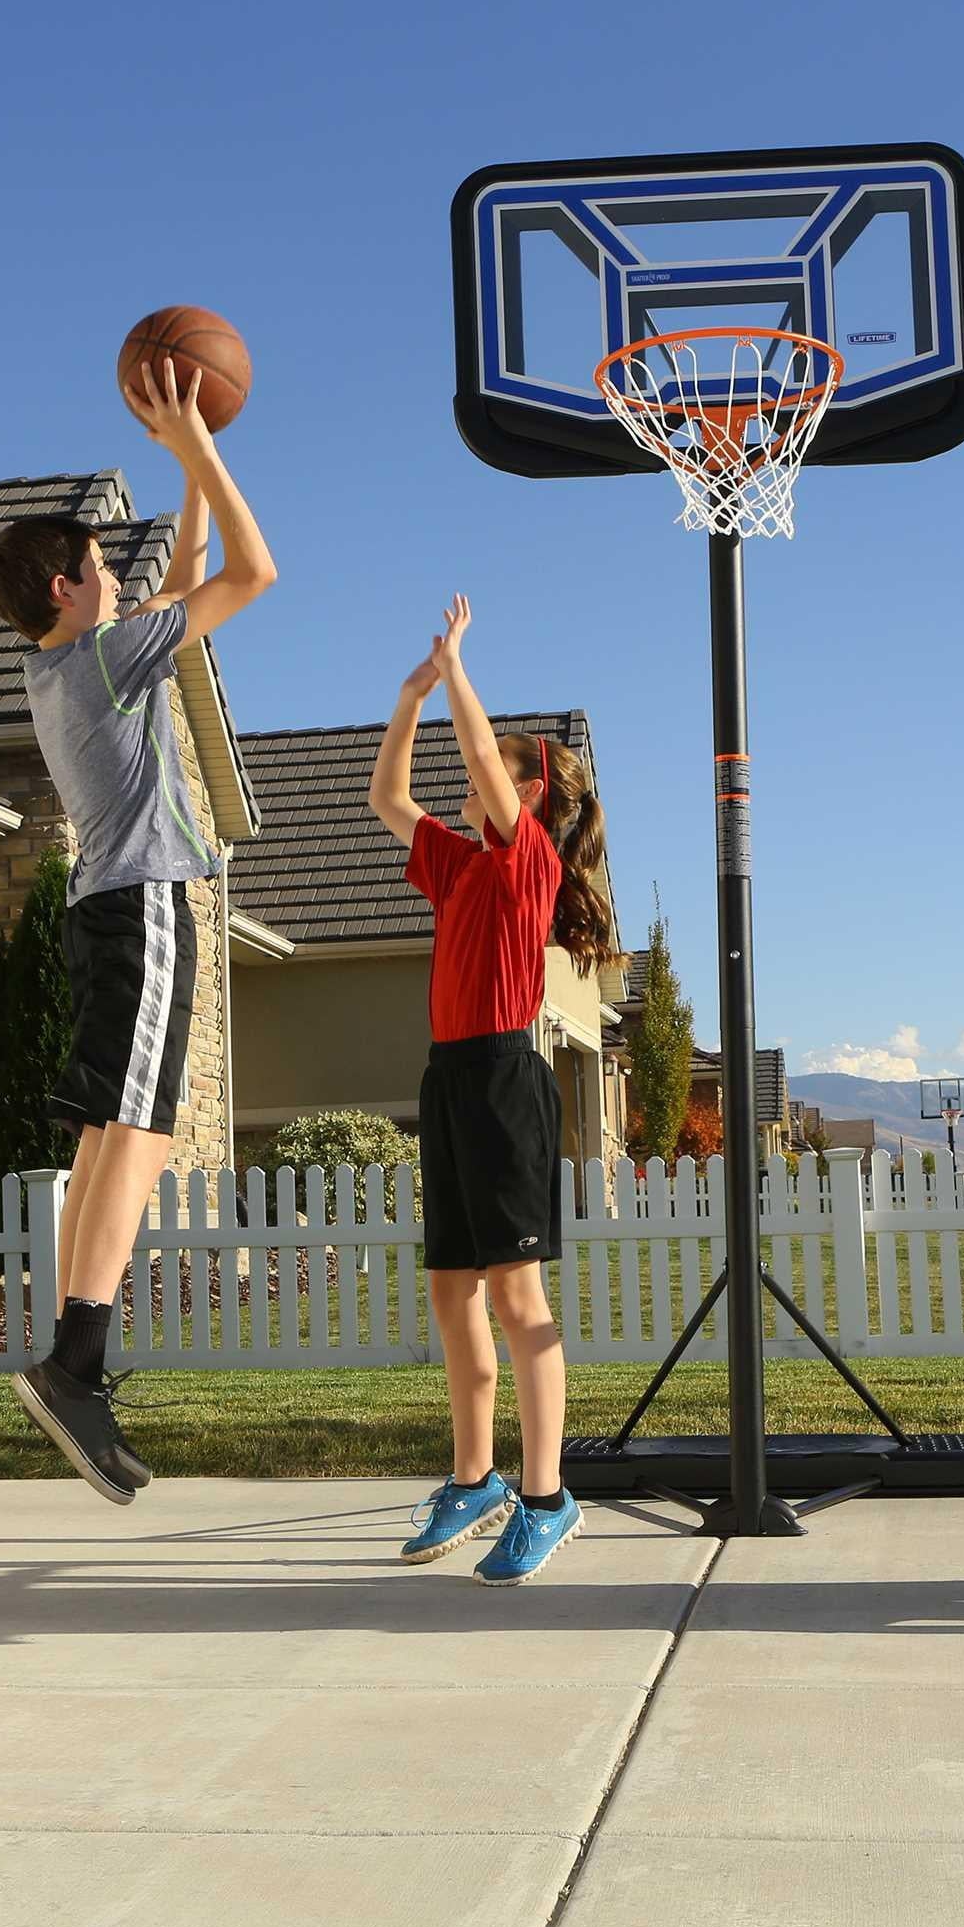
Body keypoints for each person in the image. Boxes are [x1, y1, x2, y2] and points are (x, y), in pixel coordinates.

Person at [0, 360, 276, 1503]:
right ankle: (74, 1362)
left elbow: (185, 577)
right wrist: (201, 450)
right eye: (101, 564)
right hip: (145, 905)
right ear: (66, 587)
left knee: (110, 1137)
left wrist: (186, 474)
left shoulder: (60, 663)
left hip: (105, 908)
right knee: (139, 1137)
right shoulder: (105, 656)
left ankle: (75, 1360)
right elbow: (251, 572)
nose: (118, 574)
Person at [367, 596, 620, 1584]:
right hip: (447, 1081)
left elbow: (477, 754)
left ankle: (547, 1497)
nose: (469, 783)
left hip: (507, 1081)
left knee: (519, 1297)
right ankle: (475, 1480)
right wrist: (408, 698)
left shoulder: (527, 861)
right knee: (451, 1291)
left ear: (529, 792)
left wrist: (459, 671)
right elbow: (387, 797)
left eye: (493, 774)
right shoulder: (456, 864)